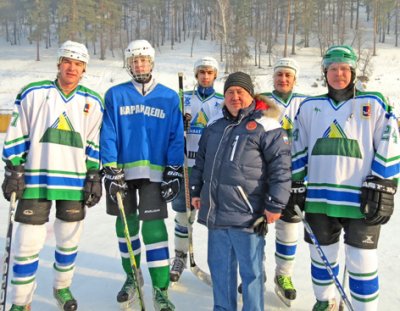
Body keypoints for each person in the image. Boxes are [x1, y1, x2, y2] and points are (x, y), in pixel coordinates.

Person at [290, 45, 400, 311]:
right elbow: (297, 146)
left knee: (362, 260)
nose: (339, 74)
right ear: (325, 72)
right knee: (321, 256)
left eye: (344, 69)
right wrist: (294, 182)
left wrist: (384, 184)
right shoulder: (309, 106)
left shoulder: (373, 102)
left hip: (360, 198)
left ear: (352, 72)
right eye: (333, 69)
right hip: (319, 197)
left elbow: (389, 142)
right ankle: (326, 303)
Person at [1, 40, 103, 311]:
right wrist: (13, 167)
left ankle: (62, 287)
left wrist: (94, 174)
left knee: (69, 240)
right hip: (35, 179)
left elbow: (94, 142)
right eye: (67, 62)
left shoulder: (92, 101)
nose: (72, 68)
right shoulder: (33, 92)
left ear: (84, 69)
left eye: (78, 64)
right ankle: (21, 303)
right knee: (26, 244)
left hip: (74, 181)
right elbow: (17, 132)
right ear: (58, 63)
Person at [190, 72, 291, 311]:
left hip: (249, 215)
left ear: (250, 95)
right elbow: (200, 162)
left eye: (240, 92)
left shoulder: (267, 125)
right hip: (217, 212)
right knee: (220, 270)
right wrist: (196, 190)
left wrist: (275, 204)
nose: (235, 97)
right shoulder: (215, 126)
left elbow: (281, 169)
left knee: (252, 273)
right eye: (230, 92)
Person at [100, 39, 184, 311]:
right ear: (128, 64)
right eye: (134, 61)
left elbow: (175, 135)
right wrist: (110, 168)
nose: (139, 65)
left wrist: (174, 169)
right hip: (121, 174)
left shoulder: (169, 97)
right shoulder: (115, 94)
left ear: (152, 62)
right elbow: (109, 132)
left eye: (144, 60)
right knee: (126, 228)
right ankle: (131, 276)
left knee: (155, 230)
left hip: (154, 174)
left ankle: (160, 289)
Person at [170, 56, 223, 283]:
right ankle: (180, 256)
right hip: (186, 166)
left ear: (215, 75)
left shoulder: (221, 101)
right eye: (201, 72)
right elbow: (170, 129)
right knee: (183, 215)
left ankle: (219, 263)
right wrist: (179, 122)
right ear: (196, 75)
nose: (205, 76)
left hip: (210, 169)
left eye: (209, 72)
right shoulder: (184, 99)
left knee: (215, 217)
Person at [260, 58, 308, 305]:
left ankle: (283, 276)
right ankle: (256, 273)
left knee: (288, 228)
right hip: (261, 174)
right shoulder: (262, 102)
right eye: (279, 75)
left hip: (293, 176)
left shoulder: (307, 103)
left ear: (295, 79)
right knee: (256, 226)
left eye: (288, 76)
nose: (283, 79)